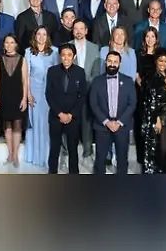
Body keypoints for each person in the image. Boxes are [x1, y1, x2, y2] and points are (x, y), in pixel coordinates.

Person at [89, 50, 137, 175]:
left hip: (122, 126)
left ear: (120, 63)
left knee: (122, 159)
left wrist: (119, 122)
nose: (112, 64)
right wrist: (106, 122)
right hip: (102, 126)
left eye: (115, 62)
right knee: (100, 159)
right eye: (110, 61)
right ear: (106, 62)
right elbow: (93, 104)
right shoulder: (97, 81)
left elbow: (132, 104)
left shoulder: (128, 81)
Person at [44, 44, 87, 174]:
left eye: (69, 55)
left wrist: (71, 115)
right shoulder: (52, 71)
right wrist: (60, 113)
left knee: (73, 148)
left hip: (73, 118)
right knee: (54, 148)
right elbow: (49, 94)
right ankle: (52, 173)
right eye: (63, 55)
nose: (66, 58)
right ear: (60, 56)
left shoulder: (80, 72)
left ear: (74, 56)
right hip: (56, 116)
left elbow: (82, 96)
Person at [23, 27, 57, 169]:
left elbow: (57, 73)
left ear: (47, 36)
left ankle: (47, 156)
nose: (41, 37)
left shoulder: (54, 51)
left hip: (49, 92)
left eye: (44, 34)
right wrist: (28, 94)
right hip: (34, 92)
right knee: (35, 123)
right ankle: (35, 156)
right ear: (35, 36)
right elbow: (26, 74)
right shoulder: (28, 52)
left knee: (47, 124)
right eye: (39, 34)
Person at [0, 34, 28, 168]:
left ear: (16, 44)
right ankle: (10, 154)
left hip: (18, 95)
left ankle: (15, 155)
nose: (9, 45)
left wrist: (24, 98)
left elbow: (25, 80)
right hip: (4, 96)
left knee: (17, 126)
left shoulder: (22, 59)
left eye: (12, 42)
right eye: (6, 42)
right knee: (7, 126)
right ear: (3, 45)